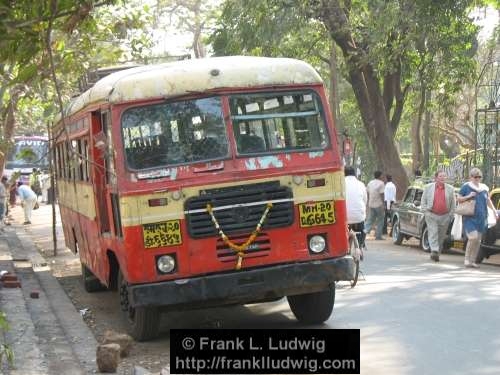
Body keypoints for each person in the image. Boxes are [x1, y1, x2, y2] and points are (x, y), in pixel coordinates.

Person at [457, 168, 498, 268]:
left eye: (479, 177)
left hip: (482, 217)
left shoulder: (484, 188)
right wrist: (468, 196)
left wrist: (494, 210)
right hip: (470, 217)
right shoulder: (466, 186)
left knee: (478, 240)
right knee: (473, 237)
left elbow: (488, 200)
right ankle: (467, 259)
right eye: (475, 176)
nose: (477, 178)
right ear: (471, 177)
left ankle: (472, 261)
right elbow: (458, 198)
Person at [421, 170, 456, 262]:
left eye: (444, 176)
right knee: (433, 232)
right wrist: (426, 212)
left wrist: (450, 215)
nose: (442, 178)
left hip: (445, 216)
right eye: (440, 176)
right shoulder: (428, 187)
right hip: (431, 214)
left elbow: (453, 203)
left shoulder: (450, 189)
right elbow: (423, 200)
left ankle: (437, 253)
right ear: (436, 178)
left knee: (441, 236)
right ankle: (434, 250)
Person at [344, 166, 368, 249]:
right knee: (362, 229)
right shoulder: (361, 184)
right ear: (354, 174)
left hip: (345, 218)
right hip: (359, 217)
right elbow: (365, 201)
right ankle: (361, 246)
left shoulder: (341, 184)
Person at [364, 170, 386, 240]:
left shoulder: (370, 182)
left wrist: (368, 201)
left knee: (370, 219)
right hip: (379, 204)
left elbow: (367, 192)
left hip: (371, 204)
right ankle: (378, 235)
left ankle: (364, 232)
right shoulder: (381, 183)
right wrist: (384, 204)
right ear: (379, 176)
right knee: (380, 220)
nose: (382, 177)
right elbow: (382, 194)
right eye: (381, 175)